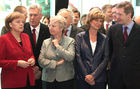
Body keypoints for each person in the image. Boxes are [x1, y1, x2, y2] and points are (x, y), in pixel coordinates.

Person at [108, 1, 140, 89]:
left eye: (120, 14)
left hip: (135, 79)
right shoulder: (112, 29)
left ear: (129, 15)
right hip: (116, 78)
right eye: (116, 13)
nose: (117, 17)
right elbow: (109, 51)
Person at [39, 15, 75, 89]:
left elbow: (70, 57)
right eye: (50, 25)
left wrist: (58, 46)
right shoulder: (46, 42)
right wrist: (55, 63)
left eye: (53, 26)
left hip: (65, 79)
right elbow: (41, 61)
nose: (50, 28)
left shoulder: (70, 41)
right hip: (47, 79)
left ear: (61, 28)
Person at [0, 12, 35, 89]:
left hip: (29, 79)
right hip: (12, 82)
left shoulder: (25, 36)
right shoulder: (3, 39)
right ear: (10, 24)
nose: (21, 24)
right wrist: (17, 63)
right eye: (18, 22)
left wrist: (32, 59)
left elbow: (31, 54)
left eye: (22, 22)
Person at [75, 9, 108, 89]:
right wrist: (86, 75)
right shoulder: (80, 36)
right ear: (89, 20)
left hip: (99, 79)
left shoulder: (105, 38)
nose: (99, 23)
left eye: (101, 21)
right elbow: (78, 56)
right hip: (83, 78)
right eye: (96, 20)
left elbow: (105, 59)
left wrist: (93, 76)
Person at [23, 4, 50, 89]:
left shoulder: (47, 30)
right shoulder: (22, 28)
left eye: (35, 15)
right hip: (25, 71)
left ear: (41, 16)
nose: (32, 17)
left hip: (42, 72)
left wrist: (39, 69)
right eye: (30, 15)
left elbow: (48, 52)